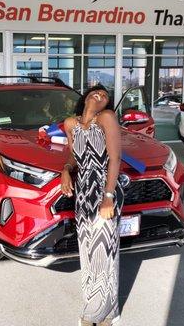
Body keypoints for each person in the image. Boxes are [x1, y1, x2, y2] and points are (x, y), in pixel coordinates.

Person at [61, 84, 124, 326]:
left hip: (104, 188)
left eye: (105, 95)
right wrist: (66, 170)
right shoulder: (70, 124)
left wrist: (108, 196)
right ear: (86, 97)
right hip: (83, 190)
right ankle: (104, 311)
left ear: (107, 103)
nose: (100, 95)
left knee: (104, 250)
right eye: (95, 92)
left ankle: (98, 313)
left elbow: (115, 158)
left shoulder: (106, 117)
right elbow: (73, 156)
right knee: (87, 250)